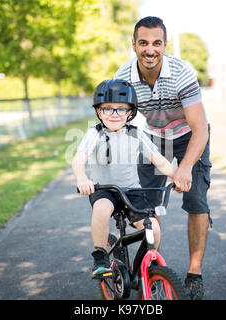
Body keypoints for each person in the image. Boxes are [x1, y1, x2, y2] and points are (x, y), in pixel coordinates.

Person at [114, 16, 212, 300]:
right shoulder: (122, 79)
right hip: (154, 138)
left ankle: (194, 273)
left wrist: (184, 168)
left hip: (189, 137)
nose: (150, 49)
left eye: (157, 43)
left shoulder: (181, 73)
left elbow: (200, 129)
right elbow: (118, 122)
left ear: (164, 45)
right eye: (143, 43)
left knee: (196, 201)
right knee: (148, 205)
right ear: (133, 45)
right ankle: (154, 267)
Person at [72, 79, 175, 277]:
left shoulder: (136, 134)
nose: (114, 114)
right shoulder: (94, 133)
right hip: (104, 190)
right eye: (108, 109)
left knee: (153, 228)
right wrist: (82, 178)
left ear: (130, 112)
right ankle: (100, 256)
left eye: (121, 109)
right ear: (99, 112)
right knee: (101, 209)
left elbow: (159, 160)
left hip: (132, 191)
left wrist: (176, 176)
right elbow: (78, 161)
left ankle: (142, 269)